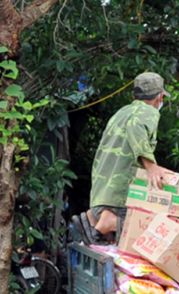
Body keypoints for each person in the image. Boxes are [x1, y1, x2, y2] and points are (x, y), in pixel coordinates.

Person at [73, 72, 172, 245]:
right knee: (148, 227)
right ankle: (109, 222)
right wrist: (151, 166)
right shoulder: (148, 112)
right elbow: (137, 128)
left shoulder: (122, 113)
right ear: (160, 97)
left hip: (101, 195)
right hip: (118, 200)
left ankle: (91, 218)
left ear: (134, 95)